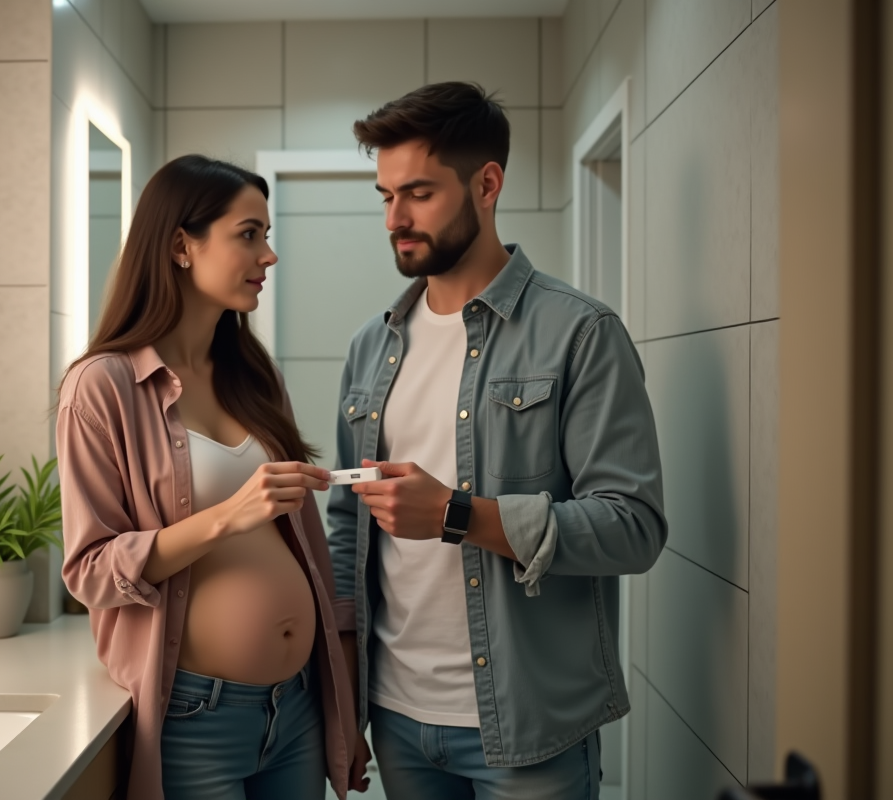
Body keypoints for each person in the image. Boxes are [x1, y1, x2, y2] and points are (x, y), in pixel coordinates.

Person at [328, 82, 667, 800]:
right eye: (385, 196)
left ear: (487, 185)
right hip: (396, 719)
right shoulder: (370, 348)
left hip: (530, 725)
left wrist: (457, 514)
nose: (395, 219)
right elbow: (347, 535)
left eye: (418, 193)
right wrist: (344, 706)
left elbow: (633, 528)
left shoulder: (581, 333)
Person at [56, 155, 356, 800]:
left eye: (266, 235)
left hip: (299, 706)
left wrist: (343, 704)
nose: (268, 255)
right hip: (197, 719)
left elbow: (307, 547)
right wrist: (227, 516)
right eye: (248, 234)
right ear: (180, 246)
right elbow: (90, 571)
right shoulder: (102, 386)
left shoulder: (255, 375)